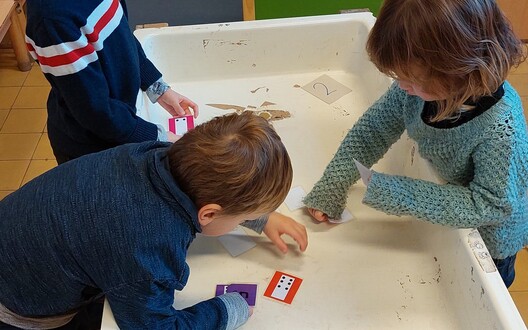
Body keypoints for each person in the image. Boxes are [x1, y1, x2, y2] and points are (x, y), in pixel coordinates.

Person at [0, 112, 308, 329]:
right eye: (248, 216)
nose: (252, 219)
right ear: (210, 213)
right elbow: (153, 326)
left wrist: (260, 218)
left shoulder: (159, 154)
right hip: (19, 305)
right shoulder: (146, 247)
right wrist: (228, 310)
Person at [304, 0, 527, 288]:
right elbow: (373, 130)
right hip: (453, 204)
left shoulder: (502, 130)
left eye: (412, 79)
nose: (402, 85)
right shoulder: (414, 90)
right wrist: (333, 184)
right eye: (400, 77)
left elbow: (489, 205)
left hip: (492, 240)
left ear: (459, 68)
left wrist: (394, 191)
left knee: (487, 297)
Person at [25, 0, 198, 164]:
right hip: (89, 148)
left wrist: (159, 89)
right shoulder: (52, 19)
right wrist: (158, 136)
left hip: (118, 123)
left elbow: (121, 36)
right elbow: (95, 111)